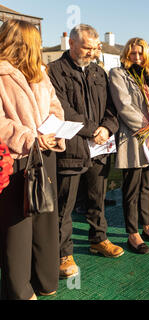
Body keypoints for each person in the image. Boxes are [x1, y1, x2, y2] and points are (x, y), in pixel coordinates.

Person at [48, 24, 123, 279]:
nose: (92, 52)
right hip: (71, 148)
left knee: (97, 197)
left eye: (94, 48)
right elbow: (62, 109)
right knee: (64, 205)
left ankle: (98, 239)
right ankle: (62, 254)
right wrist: (93, 130)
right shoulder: (55, 71)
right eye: (87, 48)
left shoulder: (98, 72)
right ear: (71, 43)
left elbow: (112, 108)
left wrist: (107, 128)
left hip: (100, 147)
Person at [0, 19, 66, 300]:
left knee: (46, 218)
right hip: (14, 161)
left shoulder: (40, 72)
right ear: (22, 42)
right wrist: (29, 137)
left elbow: (55, 106)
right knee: (18, 227)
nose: (39, 47)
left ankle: (45, 279)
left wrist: (54, 132)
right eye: (36, 42)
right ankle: (19, 291)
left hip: (44, 154)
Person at [109, 38, 149, 254]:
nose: (137, 57)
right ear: (126, 53)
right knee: (132, 187)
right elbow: (123, 105)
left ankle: (147, 226)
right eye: (133, 53)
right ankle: (132, 233)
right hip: (133, 137)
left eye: (141, 53)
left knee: (146, 185)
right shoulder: (117, 74)